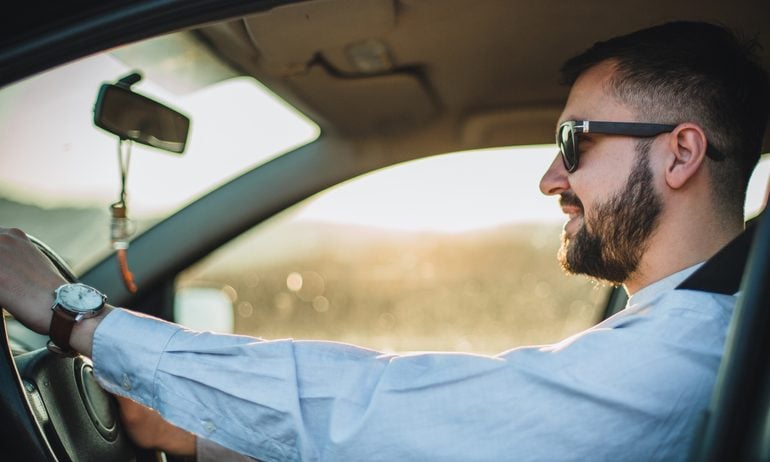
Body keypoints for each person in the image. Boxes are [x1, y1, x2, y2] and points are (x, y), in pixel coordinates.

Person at [0, 19, 768, 461]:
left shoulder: (686, 348)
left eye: (574, 142)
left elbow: (387, 408)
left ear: (680, 154)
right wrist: (210, 439)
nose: (549, 179)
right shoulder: (689, 331)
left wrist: (79, 320)